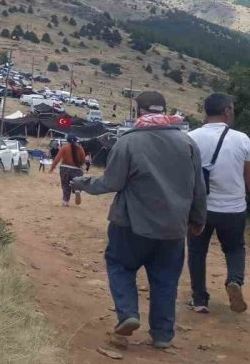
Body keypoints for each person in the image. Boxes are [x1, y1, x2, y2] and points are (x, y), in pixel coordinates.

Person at [71, 91, 206, 349]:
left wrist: (83, 183)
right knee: (166, 280)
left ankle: (128, 314)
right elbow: (198, 187)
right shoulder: (187, 143)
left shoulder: (128, 141)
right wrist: (198, 219)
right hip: (173, 229)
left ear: (138, 111)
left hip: (130, 225)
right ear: (164, 110)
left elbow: (112, 182)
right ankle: (163, 335)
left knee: (119, 266)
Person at [186, 93, 250, 314]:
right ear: (227, 111)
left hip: (200, 208)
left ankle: (199, 299)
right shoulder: (242, 139)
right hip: (234, 208)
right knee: (234, 249)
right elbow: (248, 176)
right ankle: (234, 280)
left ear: (206, 111)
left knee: (197, 251)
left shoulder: (191, 137)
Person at [49, 134, 87, 206]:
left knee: (65, 185)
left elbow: (57, 158)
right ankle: (77, 190)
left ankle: (66, 201)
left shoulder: (64, 147)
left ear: (67, 140)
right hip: (77, 170)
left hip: (65, 168)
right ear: (76, 140)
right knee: (76, 183)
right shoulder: (80, 148)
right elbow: (83, 160)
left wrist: (52, 168)